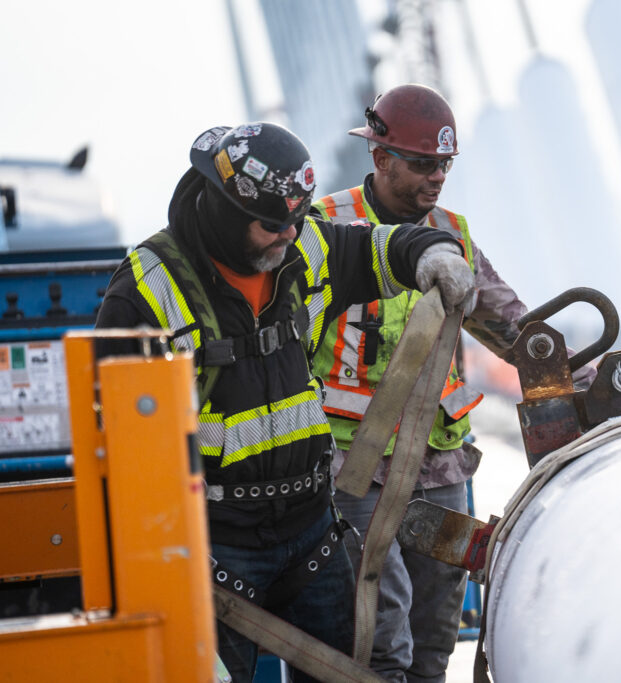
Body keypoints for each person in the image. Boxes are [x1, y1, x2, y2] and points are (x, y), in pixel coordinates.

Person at [95, 122, 475, 683]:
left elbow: (383, 243)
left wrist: (433, 256)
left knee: (357, 669)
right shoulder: (146, 292)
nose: (288, 235)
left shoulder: (303, 248)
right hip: (215, 547)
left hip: (309, 534)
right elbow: (115, 443)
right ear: (224, 208)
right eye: (273, 224)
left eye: (296, 219)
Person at [312, 83, 546, 683]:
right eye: (422, 164)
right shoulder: (324, 229)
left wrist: (580, 378)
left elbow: (510, 324)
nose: (437, 176)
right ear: (380, 158)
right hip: (351, 468)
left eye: (444, 163)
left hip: (438, 465)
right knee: (378, 637)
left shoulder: (453, 233)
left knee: (434, 638)